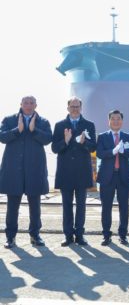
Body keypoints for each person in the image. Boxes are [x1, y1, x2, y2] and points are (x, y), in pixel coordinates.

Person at [0, 96, 52, 249]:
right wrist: (18, 130)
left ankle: (35, 235)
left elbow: (48, 139)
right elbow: (2, 137)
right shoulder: (9, 120)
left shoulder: (43, 121)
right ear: (20, 104)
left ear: (36, 105)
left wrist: (33, 130)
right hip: (14, 170)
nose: (28, 105)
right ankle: (10, 237)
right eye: (26, 103)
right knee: (12, 206)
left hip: (34, 169)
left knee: (35, 206)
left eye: (31, 103)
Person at [52, 97, 97, 247]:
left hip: (82, 171)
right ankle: (68, 236)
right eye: (72, 106)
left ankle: (80, 235)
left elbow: (93, 147)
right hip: (65, 171)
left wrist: (84, 142)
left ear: (81, 108)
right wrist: (65, 141)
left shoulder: (89, 125)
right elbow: (54, 148)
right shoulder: (60, 125)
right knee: (66, 205)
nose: (75, 109)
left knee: (81, 205)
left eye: (77, 106)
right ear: (67, 108)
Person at [96, 110, 129, 246]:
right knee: (106, 207)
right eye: (113, 119)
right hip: (107, 177)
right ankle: (106, 235)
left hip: (123, 176)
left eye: (118, 119)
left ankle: (123, 235)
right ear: (109, 121)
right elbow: (100, 154)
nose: (116, 121)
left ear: (122, 121)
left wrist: (124, 151)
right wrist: (113, 151)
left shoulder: (128, 137)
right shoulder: (102, 137)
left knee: (124, 207)